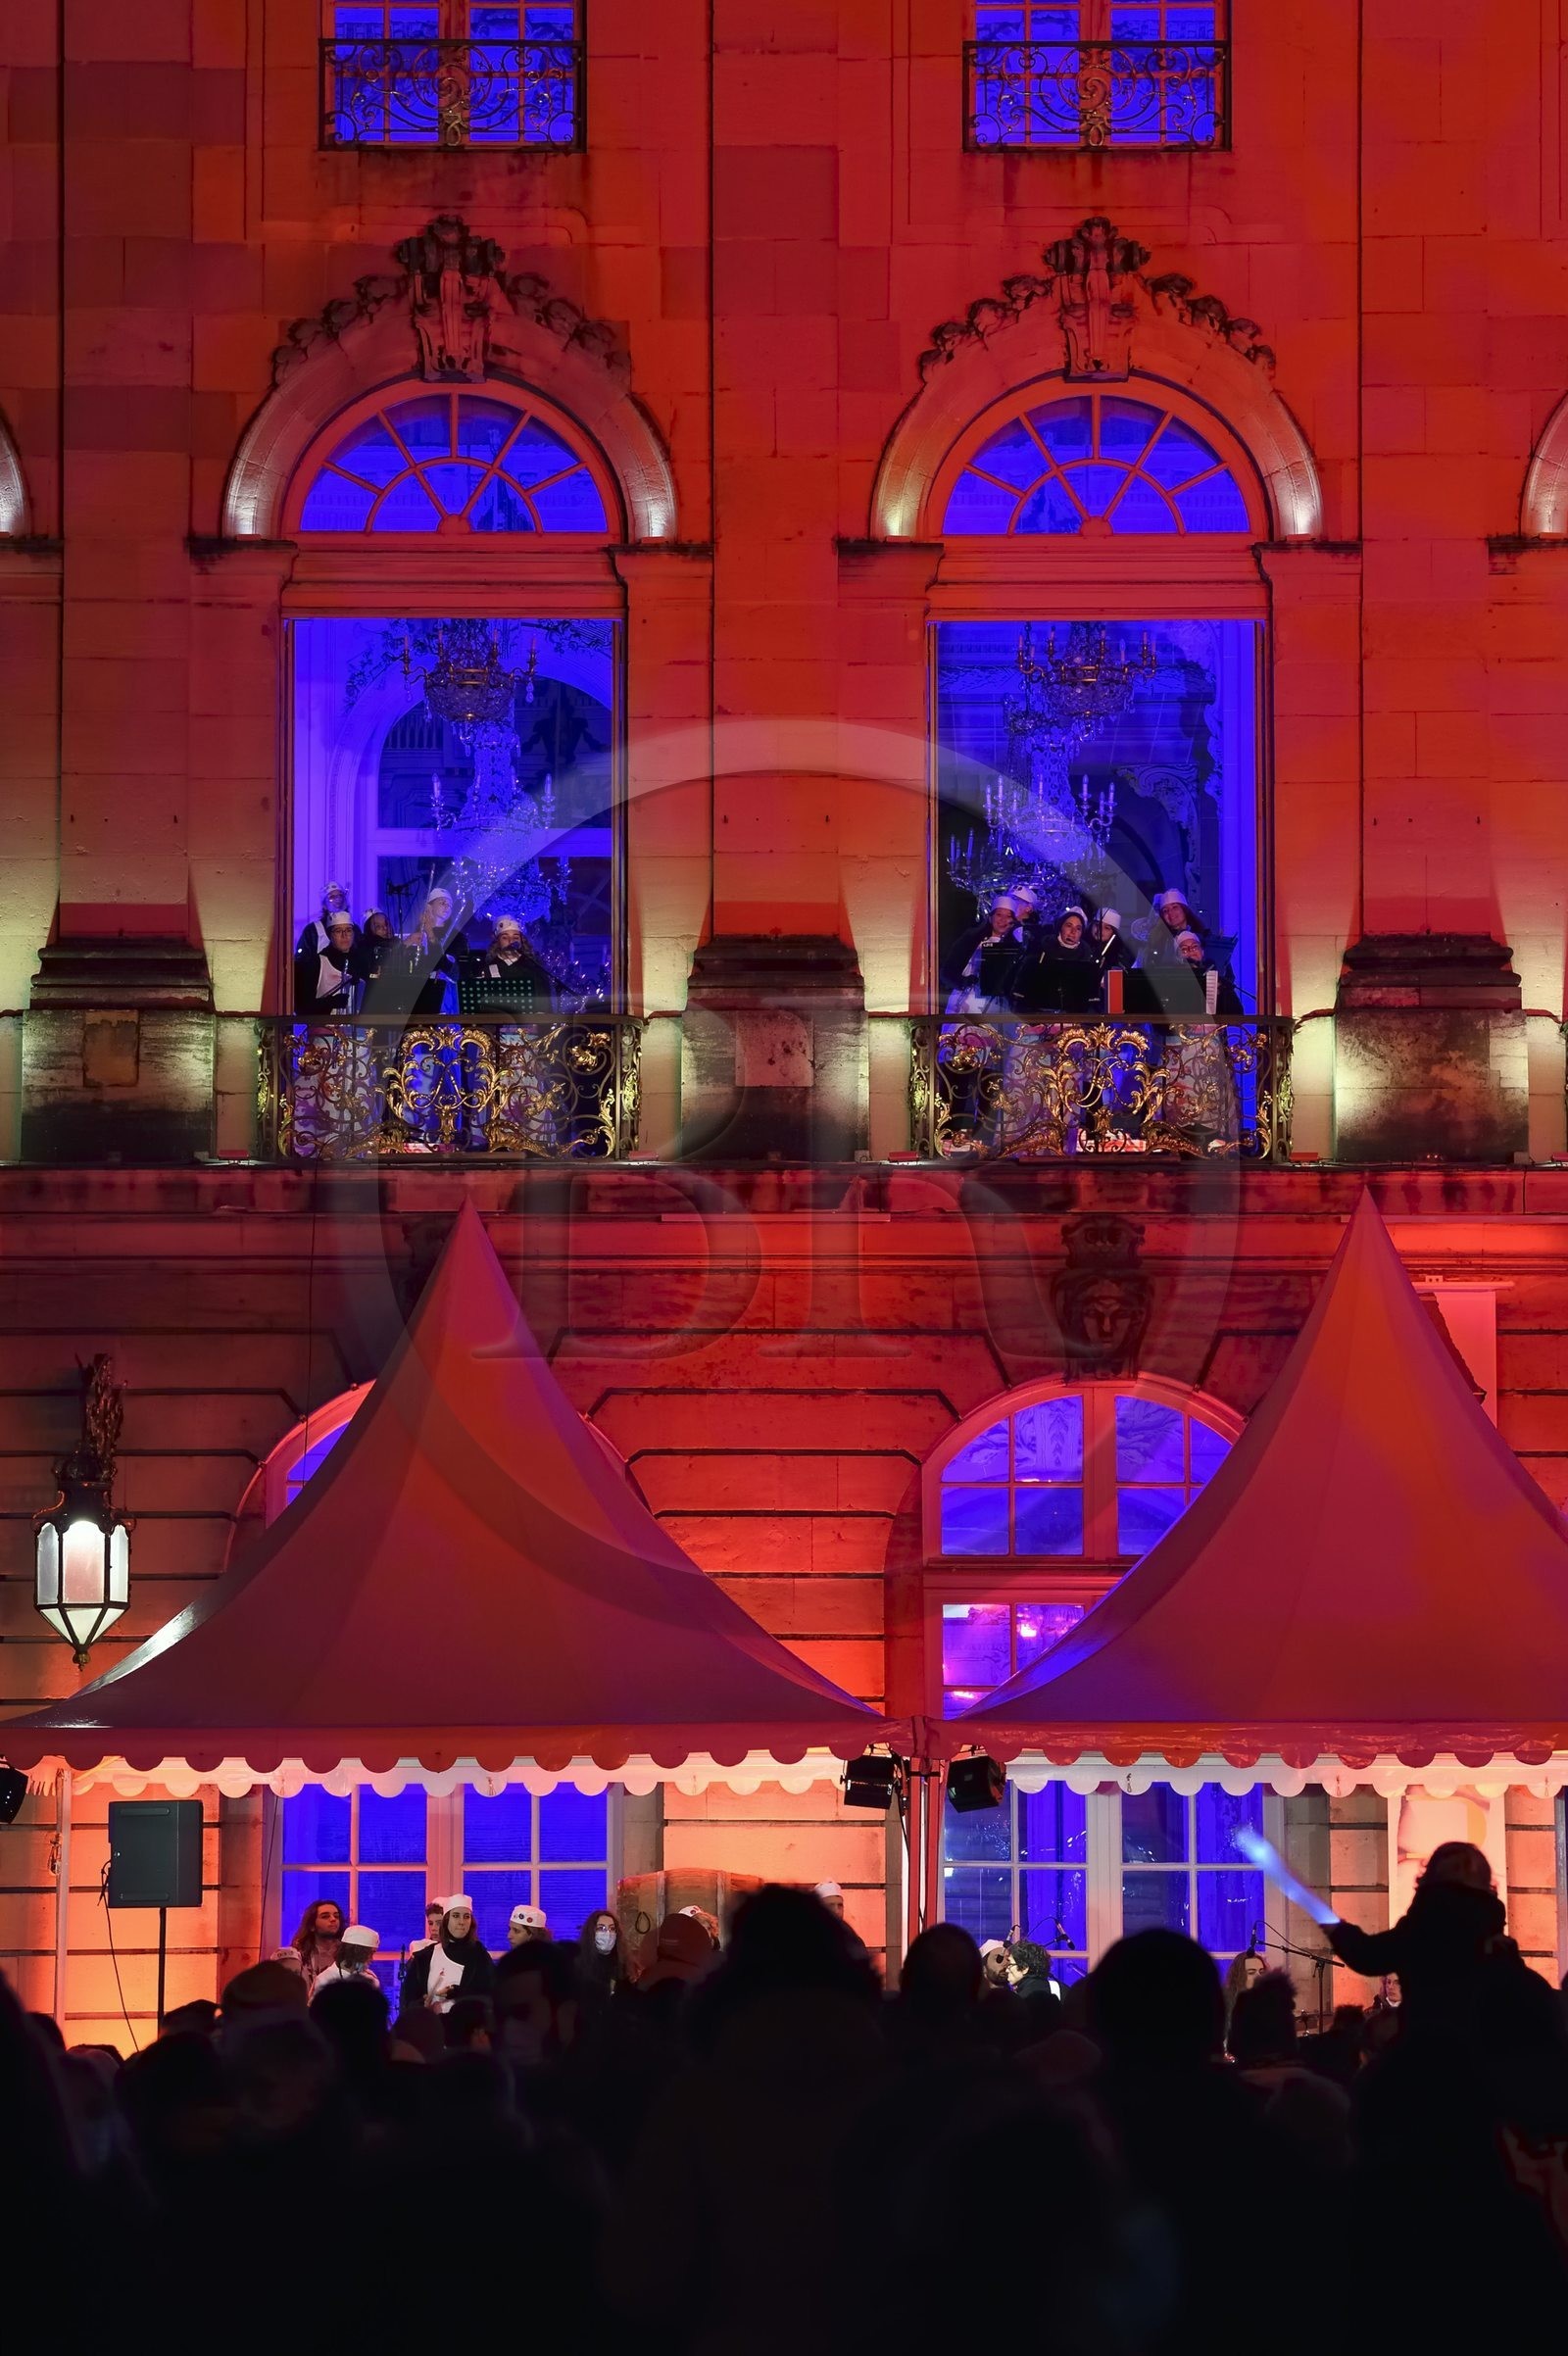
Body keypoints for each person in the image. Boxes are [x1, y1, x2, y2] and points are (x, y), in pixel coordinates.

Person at [398, 1895, 496, 2015]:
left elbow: (491, 1997)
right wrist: (422, 2005)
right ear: (447, 1919)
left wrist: (460, 1994)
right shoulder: (425, 1957)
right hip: (433, 2029)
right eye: (456, 1916)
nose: (461, 1922)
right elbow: (408, 2001)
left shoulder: (480, 1956)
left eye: (466, 1917)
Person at [1011, 903, 1097, 1016]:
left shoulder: (1088, 957)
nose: (1073, 932)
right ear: (1060, 927)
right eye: (1069, 926)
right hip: (1040, 1016)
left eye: (1078, 928)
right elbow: (1021, 993)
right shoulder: (1040, 952)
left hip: (1075, 1019)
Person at [292, 908, 359, 1018]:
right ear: (330, 935)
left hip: (356, 1032)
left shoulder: (360, 962)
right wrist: (331, 1002)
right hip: (322, 1032)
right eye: (338, 931)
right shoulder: (315, 963)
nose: (344, 935)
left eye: (348, 930)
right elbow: (301, 1007)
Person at [309, 1924, 380, 1999]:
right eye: (370, 1953)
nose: (372, 1959)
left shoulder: (371, 1979)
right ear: (357, 1952)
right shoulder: (324, 1980)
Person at [291, 1898, 344, 1997]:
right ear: (312, 1926)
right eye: (325, 1916)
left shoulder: (347, 1953)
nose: (333, 1919)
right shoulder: (299, 1955)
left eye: (336, 1916)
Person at [578, 1907, 625, 1999]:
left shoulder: (624, 1965)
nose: (608, 1933)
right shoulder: (579, 1964)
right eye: (601, 1928)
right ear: (591, 1932)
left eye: (612, 1928)